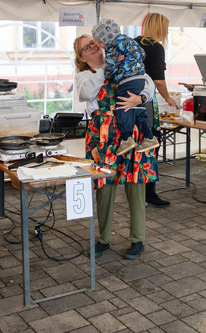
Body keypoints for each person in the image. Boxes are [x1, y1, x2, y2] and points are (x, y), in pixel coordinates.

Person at [74, 34, 158, 259]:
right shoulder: (84, 76)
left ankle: (137, 239)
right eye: (86, 47)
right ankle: (103, 239)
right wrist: (107, 66)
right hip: (103, 135)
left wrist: (141, 98)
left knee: (136, 184)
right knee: (104, 187)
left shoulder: (125, 63)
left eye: (93, 42)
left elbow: (148, 83)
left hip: (131, 130)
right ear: (81, 57)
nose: (92, 47)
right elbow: (87, 93)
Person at [91, 19, 159, 155]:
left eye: (99, 42)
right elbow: (142, 53)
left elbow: (109, 68)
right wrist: (132, 61)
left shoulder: (112, 46)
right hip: (139, 79)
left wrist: (112, 70)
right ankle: (149, 137)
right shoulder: (129, 40)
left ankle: (127, 138)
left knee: (122, 107)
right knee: (138, 109)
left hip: (127, 81)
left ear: (106, 38)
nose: (99, 45)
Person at [135, 13, 178, 208]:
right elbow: (159, 81)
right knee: (151, 143)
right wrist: (168, 98)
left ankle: (136, 191)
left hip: (128, 101)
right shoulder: (156, 47)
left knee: (135, 144)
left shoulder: (133, 42)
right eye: (166, 28)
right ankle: (148, 193)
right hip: (146, 102)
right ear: (160, 28)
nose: (167, 32)